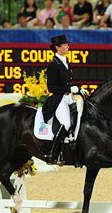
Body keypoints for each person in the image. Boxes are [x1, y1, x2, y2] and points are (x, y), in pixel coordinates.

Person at [42, 35, 87, 165]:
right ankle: (53, 154)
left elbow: (69, 82)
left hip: (69, 97)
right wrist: (69, 88)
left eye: (67, 44)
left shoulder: (65, 61)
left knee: (81, 118)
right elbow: (51, 87)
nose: (68, 46)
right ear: (57, 48)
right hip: (59, 99)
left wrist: (78, 88)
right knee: (67, 123)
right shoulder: (53, 64)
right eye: (65, 45)